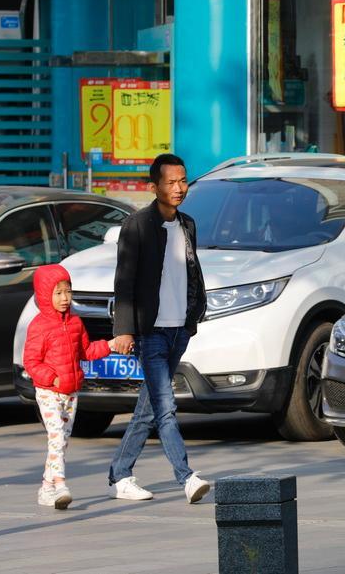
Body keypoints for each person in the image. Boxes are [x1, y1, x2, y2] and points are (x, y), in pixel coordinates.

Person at [107, 153, 211, 504]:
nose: (178, 188)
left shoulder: (187, 224)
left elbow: (191, 272)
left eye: (182, 181)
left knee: (149, 408)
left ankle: (121, 474)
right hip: (151, 331)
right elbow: (124, 280)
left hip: (179, 329)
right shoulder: (136, 225)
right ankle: (186, 477)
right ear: (154, 187)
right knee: (165, 406)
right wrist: (124, 329)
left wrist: (194, 316)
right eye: (170, 182)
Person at [24, 264, 129, 509]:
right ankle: (61, 485)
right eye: (58, 293)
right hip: (49, 392)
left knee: (61, 441)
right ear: (45, 295)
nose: (65, 298)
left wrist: (110, 345)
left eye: (68, 291)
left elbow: (86, 351)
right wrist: (52, 379)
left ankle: (46, 488)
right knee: (56, 437)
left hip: (71, 393)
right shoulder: (39, 326)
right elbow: (31, 361)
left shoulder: (75, 323)